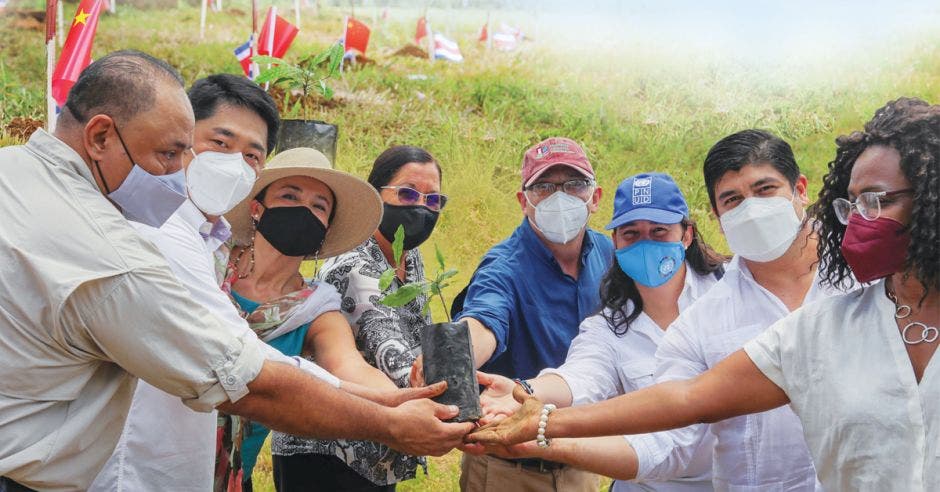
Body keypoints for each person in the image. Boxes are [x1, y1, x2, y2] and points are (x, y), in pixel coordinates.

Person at [0, 50, 472, 492]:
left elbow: (315, 361)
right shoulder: (131, 248)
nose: (183, 168)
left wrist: (389, 398)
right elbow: (240, 374)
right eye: (175, 152)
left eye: (251, 155)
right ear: (101, 135)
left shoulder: (17, 173)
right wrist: (389, 418)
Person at [468, 98, 939, 491]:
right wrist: (539, 414)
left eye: (764, 189)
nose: (752, 208)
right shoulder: (773, 326)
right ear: (717, 214)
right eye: (733, 199)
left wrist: (544, 424)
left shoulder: (859, 286)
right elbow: (677, 405)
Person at [478, 172, 726, 491]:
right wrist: (524, 390)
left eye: (659, 232)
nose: (645, 244)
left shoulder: (727, 291)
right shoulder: (608, 327)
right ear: (616, 243)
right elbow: (580, 376)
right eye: (632, 234)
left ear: (686, 234)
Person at [429, 137, 614, 492]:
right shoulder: (505, 267)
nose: (561, 197)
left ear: (595, 197)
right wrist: (451, 354)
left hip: (580, 460)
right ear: (523, 201)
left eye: (574, 184)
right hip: (509, 470)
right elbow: (484, 320)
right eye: (544, 186)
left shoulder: (607, 254)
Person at [216, 147, 403, 490]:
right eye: (290, 195)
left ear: (324, 230)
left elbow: (350, 367)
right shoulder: (209, 267)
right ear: (257, 209)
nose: (304, 210)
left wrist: (404, 403)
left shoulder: (315, 306)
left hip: (229, 477)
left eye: (319, 206)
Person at [271, 145, 448, 491]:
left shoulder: (408, 256)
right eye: (408, 193)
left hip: (381, 443)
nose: (420, 207)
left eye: (432, 200)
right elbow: (387, 346)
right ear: (375, 195)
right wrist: (447, 393)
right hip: (328, 449)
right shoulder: (353, 263)